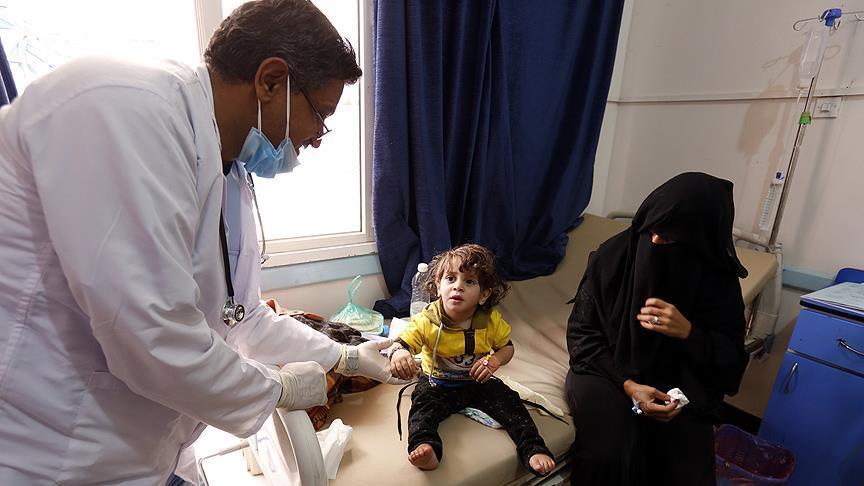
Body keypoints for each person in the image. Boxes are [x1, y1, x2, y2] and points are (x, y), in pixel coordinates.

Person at [0, 1, 397, 483]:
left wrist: (345, 356)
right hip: (53, 453)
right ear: (271, 81)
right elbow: (151, 333)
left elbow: (241, 316)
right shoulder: (126, 109)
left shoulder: (228, 172)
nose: (317, 137)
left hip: (142, 446)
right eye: (320, 115)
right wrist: (277, 389)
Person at [564, 172, 751, 485]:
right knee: (609, 453)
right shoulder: (612, 258)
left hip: (677, 376)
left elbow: (729, 360)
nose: (654, 243)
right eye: (650, 231)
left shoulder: (717, 283)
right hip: (606, 371)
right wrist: (630, 386)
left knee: (686, 465)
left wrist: (688, 333)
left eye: (669, 239)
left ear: (698, 243)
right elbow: (583, 335)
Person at [389, 244, 556, 476]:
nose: (457, 286)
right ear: (438, 285)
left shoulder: (490, 321)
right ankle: (426, 447)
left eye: (469, 281)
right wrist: (399, 354)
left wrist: (494, 361)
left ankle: (533, 448)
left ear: (484, 294)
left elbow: (507, 348)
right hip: (437, 385)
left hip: (478, 383)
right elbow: (401, 344)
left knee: (511, 403)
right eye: (450, 278)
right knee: (421, 408)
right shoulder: (426, 321)